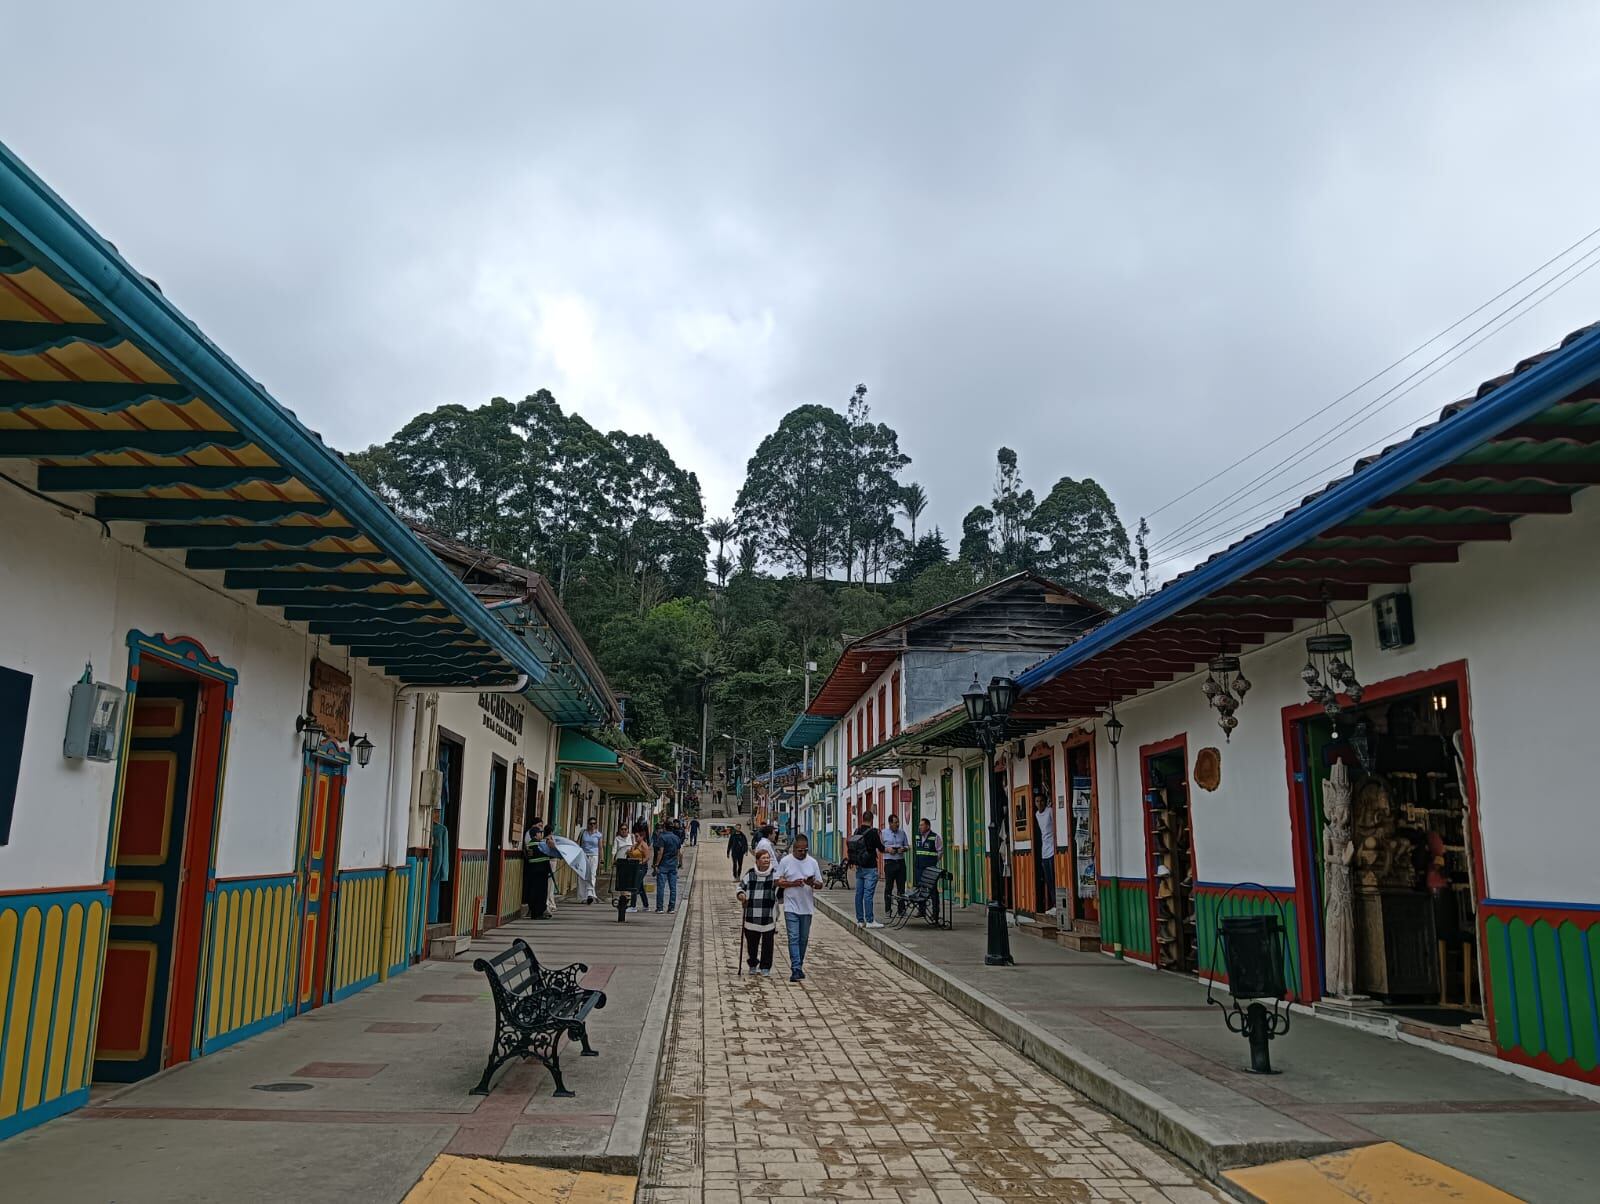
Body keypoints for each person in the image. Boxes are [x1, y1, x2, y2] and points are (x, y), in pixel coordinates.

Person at [776, 832, 823, 982]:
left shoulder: (813, 863)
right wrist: (792, 883)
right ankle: (795, 968)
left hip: (807, 907)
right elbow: (777, 881)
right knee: (793, 937)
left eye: (805, 850)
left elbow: (820, 884)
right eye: (799, 850)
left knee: (803, 939)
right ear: (794, 848)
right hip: (791, 906)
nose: (802, 853)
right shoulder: (785, 861)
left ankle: (799, 965)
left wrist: (812, 883)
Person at [735, 847, 779, 975]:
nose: (766, 860)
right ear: (757, 860)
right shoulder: (750, 874)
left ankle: (765, 967)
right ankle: (753, 964)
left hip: (768, 915)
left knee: (767, 944)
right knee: (752, 944)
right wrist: (741, 895)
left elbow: (781, 888)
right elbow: (740, 888)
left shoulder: (774, 874)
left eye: (768, 858)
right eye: (763, 858)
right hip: (751, 914)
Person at [848, 812, 884, 928]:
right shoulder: (873, 832)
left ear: (862, 819)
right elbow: (881, 848)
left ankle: (860, 920)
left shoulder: (857, 831)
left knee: (859, 894)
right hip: (870, 867)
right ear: (872, 820)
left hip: (859, 867)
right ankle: (870, 920)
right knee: (868, 894)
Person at [881, 813, 910, 915]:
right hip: (889, 862)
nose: (897, 824)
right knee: (889, 887)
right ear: (890, 823)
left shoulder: (902, 833)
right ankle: (888, 909)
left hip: (900, 862)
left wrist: (904, 849)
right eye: (895, 822)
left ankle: (901, 909)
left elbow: (907, 846)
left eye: (898, 822)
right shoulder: (883, 833)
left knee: (901, 887)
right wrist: (888, 849)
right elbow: (880, 848)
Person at [652, 819, 684, 913]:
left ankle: (660, 907)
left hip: (663, 865)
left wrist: (656, 864)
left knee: (661, 887)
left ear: (664, 828)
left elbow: (660, 852)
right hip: (673, 865)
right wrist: (680, 863)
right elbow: (679, 853)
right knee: (673, 888)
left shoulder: (662, 837)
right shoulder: (676, 838)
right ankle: (671, 908)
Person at [1033, 791, 1057, 913]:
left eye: (1041, 801)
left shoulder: (1050, 811)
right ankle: (1053, 904)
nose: (1039, 803)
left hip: (1053, 849)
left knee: (1054, 878)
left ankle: (1057, 904)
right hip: (1044, 851)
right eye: (1037, 801)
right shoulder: (1037, 814)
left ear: (1045, 801)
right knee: (1048, 879)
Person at [524, 823, 552, 919]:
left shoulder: (530, 844)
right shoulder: (540, 844)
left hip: (533, 871)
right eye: (540, 833)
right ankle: (538, 913)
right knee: (541, 893)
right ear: (536, 834)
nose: (541, 834)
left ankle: (534, 912)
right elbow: (549, 852)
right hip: (541, 871)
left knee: (533, 891)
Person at [627, 821, 652, 912]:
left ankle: (633, 906)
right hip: (635, 867)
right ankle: (646, 905)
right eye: (635, 836)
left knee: (635, 885)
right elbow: (631, 854)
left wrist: (641, 862)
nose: (635, 838)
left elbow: (647, 857)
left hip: (641, 867)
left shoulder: (644, 845)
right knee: (640, 887)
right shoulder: (636, 845)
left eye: (637, 836)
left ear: (642, 836)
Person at [913, 816, 943, 885]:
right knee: (920, 886)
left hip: (930, 867)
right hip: (919, 867)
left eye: (922, 825)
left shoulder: (935, 837)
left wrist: (934, 860)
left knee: (931, 887)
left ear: (928, 826)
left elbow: (940, 851)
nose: (920, 827)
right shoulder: (917, 836)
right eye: (919, 825)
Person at [580, 816, 602, 903]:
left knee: (592, 874)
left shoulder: (598, 835)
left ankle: (590, 893)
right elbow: (578, 843)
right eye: (590, 823)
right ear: (588, 824)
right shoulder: (583, 833)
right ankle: (583, 896)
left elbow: (600, 847)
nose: (592, 825)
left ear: (596, 825)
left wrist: (602, 859)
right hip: (584, 855)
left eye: (594, 823)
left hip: (594, 856)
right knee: (583, 875)